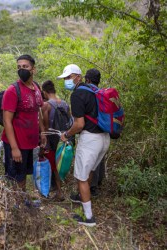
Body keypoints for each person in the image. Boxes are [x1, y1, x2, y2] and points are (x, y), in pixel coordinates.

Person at [58, 65, 110, 227]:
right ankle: (82, 196)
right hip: (104, 138)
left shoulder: (78, 94)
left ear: (79, 77)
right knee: (91, 170)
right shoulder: (95, 91)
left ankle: (88, 218)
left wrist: (66, 135)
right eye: (65, 78)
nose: (67, 80)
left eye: (69, 77)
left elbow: (79, 124)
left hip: (90, 140)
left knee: (81, 177)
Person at [1, 54, 46, 191]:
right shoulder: (13, 90)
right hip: (16, 143)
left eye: (25, 66)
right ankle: (16, 206)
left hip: (30, 143)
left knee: (24, 174)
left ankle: (23, 201)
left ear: (33, 69)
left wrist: (42, 132)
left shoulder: (36, 88)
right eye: (19, 67)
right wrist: (14, 148)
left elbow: (37, 110)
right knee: (15, 178)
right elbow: (7, 121)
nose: (22, 70)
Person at [41, 80, 71, 201]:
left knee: (52, 166)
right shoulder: (65, 104)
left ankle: (57, 192)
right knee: (60, 164)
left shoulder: (46, 105)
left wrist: (44, 142)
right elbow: (70, 122)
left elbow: (46, 126)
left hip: (52, 139)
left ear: (44, 92)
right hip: (64, 137)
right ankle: (59, 191)